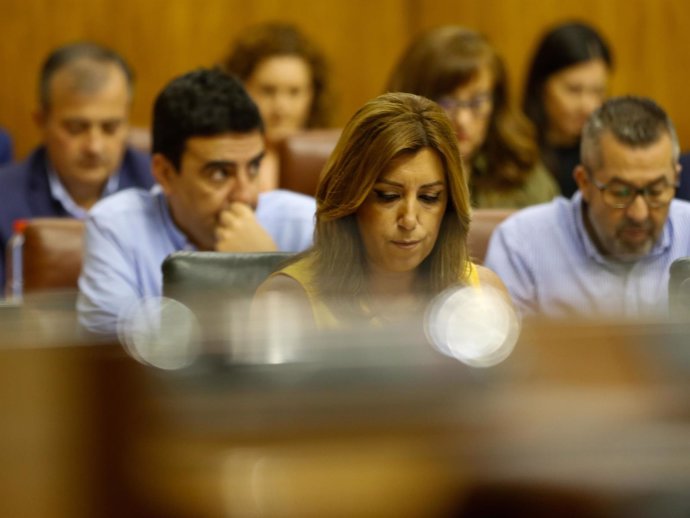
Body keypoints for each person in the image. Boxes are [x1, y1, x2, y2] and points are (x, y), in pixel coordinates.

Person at [77, 68, 316, 336]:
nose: (246, 195)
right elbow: (110, 351)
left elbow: (336, 343)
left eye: (253, 168)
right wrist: (254, 276)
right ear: (165, 173)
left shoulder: (305, 225)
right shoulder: (115, 227)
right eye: (219, 174)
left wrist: (269, 268)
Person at [254, 92, 509, 330]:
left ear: (450, 205)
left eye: (429, 198)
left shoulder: (483, 295)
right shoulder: (287, 301)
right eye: (388, 196)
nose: (409, 219)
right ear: (352, 198)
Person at [485, 96, 690, 319]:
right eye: (620, 192)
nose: (639, 214)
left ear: (676, 178)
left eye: (656, 191)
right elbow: (502, 350)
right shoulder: (521, 245)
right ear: (584, 182)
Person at [0, 42, 154, 292]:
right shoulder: (4, 199)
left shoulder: (161, 191)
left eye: (110, 127)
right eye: (76, 128)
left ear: (127, 122)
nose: (94, 146)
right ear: (42, 121)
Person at [386, 25, 559, 209]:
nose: (462, 120)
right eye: (446, 103)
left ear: (496, 103)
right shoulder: (382, 173)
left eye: (477, 103)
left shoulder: (521, 174)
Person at [223, 22, 332, 192]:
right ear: (241, 90)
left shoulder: (336, 163)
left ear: (312, 95)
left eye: (294, 92)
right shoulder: (220, 160)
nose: (281, 108)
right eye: (268, 91)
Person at [523, 21, 612, 197]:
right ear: (542, 86)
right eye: (573, 89)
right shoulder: (515, 152)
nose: (588, 106)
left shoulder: (608, 150)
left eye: (598, 91)